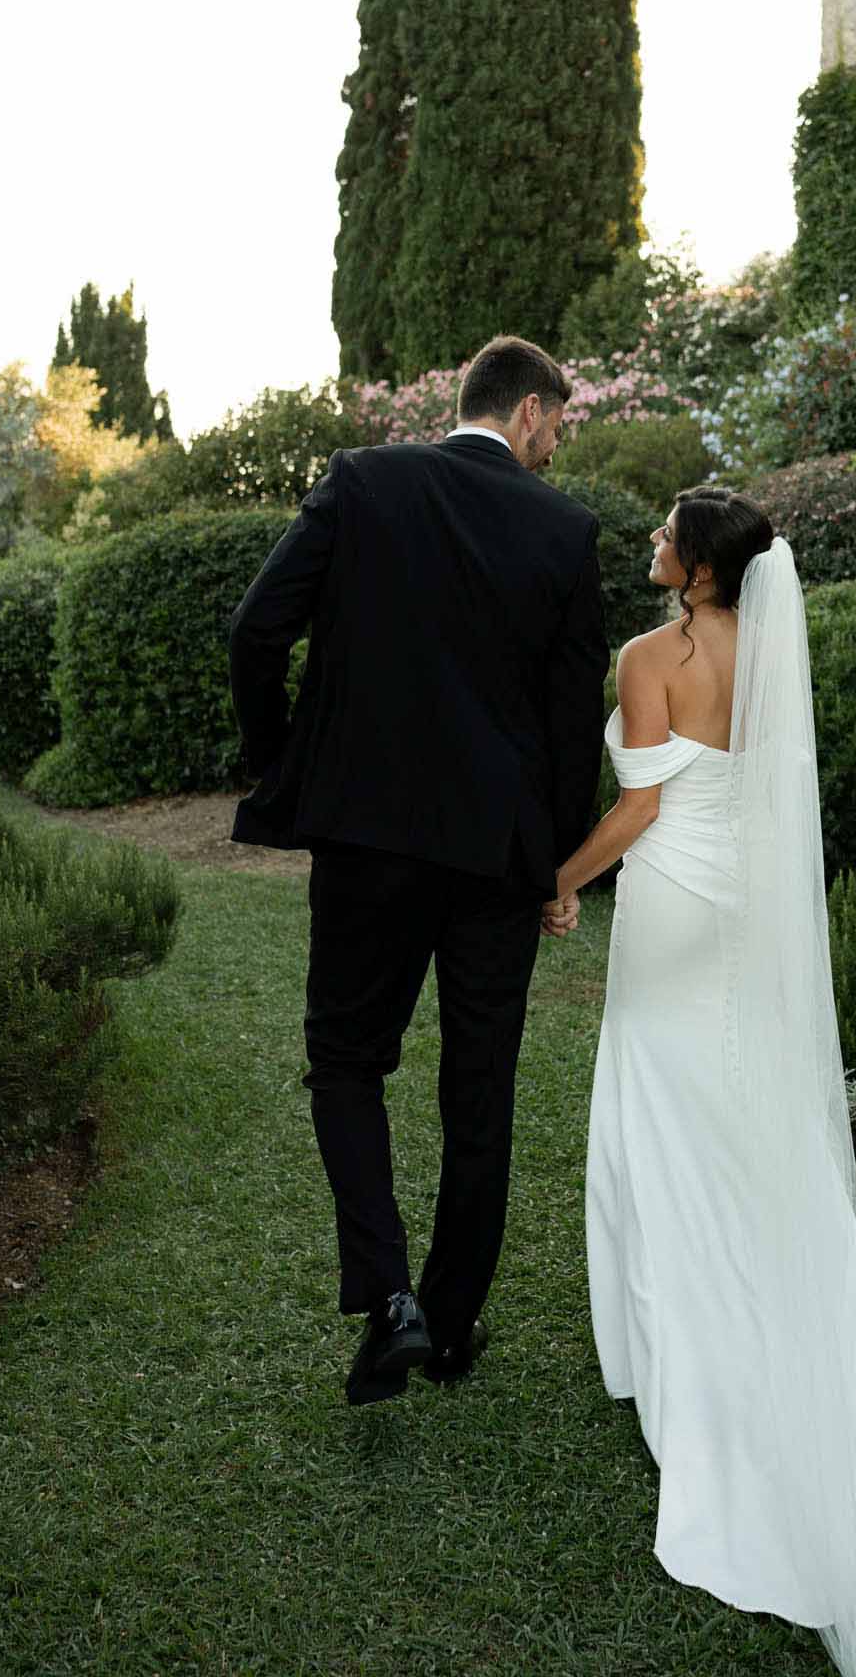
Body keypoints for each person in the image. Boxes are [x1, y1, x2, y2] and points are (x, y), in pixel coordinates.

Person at [549, 487, 856, 1677]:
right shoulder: (768, 650)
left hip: (671, 907)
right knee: (733, 1127)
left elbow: (639, 805)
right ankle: (746, 1313)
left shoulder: (647, 655)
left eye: (668, 535)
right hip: (743, 915)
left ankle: (687, 1350)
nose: (654, 545)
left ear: (700, 568)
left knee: (662, 1125)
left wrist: (561, 880)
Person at [228, 335, 609, 1405]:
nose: (554, 443)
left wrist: (286, 764)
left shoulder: (365, 480)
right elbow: (573, 725)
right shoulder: (565, 529)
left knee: (347, 1059)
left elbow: (256, 630)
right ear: (529, 411)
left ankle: (388, 1295)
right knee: (478, 1091)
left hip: (366, 840)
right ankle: (445, 1326)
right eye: (557, 424)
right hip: (495, 859)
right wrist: (555, 863)